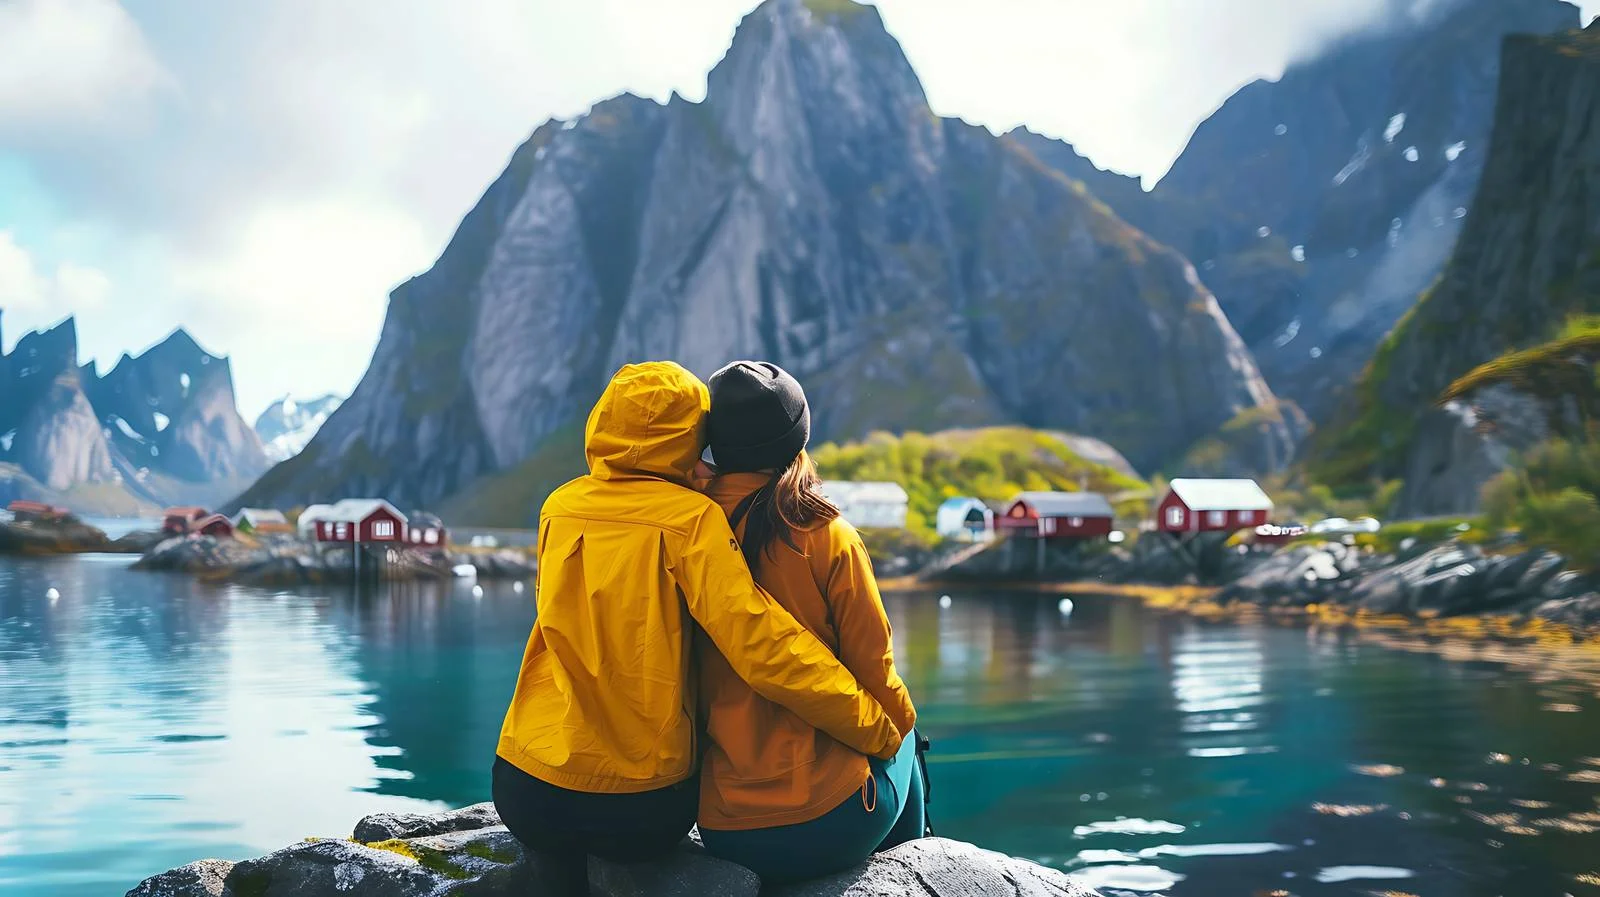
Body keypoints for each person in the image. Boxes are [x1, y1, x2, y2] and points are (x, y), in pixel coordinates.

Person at [492, 361, 905, 897]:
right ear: (694, 436)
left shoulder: (559, 506)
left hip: (523, 787)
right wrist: (876, 724)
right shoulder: (692, 521)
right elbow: (763, 649)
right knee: (900, 739)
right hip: (635, 807)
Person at [694, 360, 927, 883]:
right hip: (829, 820)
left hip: (722, 823)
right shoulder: (823, 534)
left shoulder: (685, 527)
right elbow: (876, 672)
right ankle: (916, 870)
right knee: (906, 730)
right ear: (797, 435)